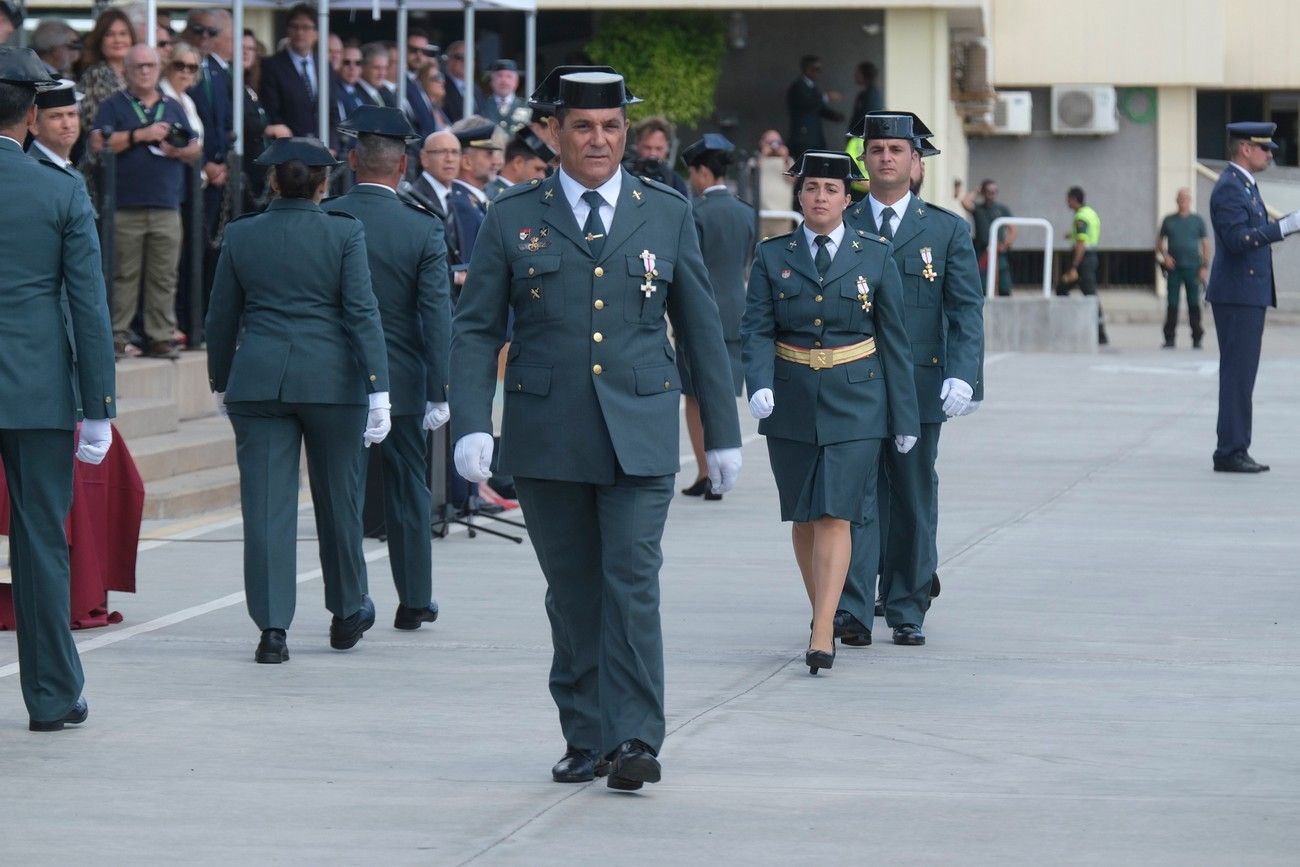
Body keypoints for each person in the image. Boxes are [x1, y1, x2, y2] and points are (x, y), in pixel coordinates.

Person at [449, 67, 742, 790]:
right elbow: (477, 327)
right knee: (574, 591)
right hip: (548, 434)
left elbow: (701, 324)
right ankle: (585, 734)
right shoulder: (513, 214)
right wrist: (468, 421)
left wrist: (725, 431)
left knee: (634, 581)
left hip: (640, 428)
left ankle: (636, 736)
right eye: (583, 126)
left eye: (611, 126)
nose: (599, 139)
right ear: (552, 131)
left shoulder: (666, 211)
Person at [205, 137, 391, 663]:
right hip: (333, 383)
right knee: (340, 500)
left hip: (260, 380)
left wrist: (221, 379)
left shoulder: (244, 234)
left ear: (271, 182)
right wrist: (378, 384)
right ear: (324, 184)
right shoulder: (343, 231)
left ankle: (272, 630)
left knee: (266, 508)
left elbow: (221, 317)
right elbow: (361, 312)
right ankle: (347, 610)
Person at [742, 148, 918, 673]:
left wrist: (904, 416)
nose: (820, 197)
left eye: (831, 190)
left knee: (835, 511)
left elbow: (895, 340)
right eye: (812, 188)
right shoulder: (774, 256)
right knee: (802, 513)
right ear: (800, 195)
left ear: (848, 199)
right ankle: (822, 607)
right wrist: (758, 383)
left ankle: (825, 627)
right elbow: (756, 328)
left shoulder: (875, 253)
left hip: (856, 397)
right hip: (792, 394)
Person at [0, 47, 117, 731]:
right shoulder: (59, 188)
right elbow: (88, 306)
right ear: (33, 115)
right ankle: (50, 695)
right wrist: (99, 407)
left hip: (36, 387)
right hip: (38, 388)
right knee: (40, 540)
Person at [839, 112, 984, 648]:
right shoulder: (840, 221)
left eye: (896, 150)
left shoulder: (945, 229)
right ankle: (851, 607)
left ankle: (907, 604)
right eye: (876, 149)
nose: (885, 158)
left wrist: (965, 375)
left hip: (921, 385)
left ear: (915, 162)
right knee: (855, 494)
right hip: (852, 382)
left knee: (914, 493)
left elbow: (966, 309)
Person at [330, 106, 451, 630]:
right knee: (409, 488)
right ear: (403, 168)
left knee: (345, 492)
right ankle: (415, 599)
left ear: (352, 160)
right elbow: (437, 318)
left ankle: (351, 601)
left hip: (338, 377)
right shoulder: (421, 228)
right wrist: (441, 387)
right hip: (402, 377)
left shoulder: (329, 218)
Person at [92, 44, 201, 360]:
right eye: (137, 66)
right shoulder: (114, 104)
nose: (144, 71)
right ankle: (115, 336)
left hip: (167, 202)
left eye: (150, 65)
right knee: (122, 275)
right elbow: (98, 142)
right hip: (125, 204)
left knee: (164, 275)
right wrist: (142, 134)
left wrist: (178, 150)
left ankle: (160, 336)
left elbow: (195, 147)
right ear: (125, 70)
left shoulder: (172, 104)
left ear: (159, 68)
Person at [1207, 121, 1300, 473]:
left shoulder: (1244, 186)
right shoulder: (1231, 188)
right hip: (1237, 293)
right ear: (1245, 148)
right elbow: (1238, 240)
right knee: (1238, 375)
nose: (1270, 153)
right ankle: (1230, 451)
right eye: (1265, 148)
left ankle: (1234, 446)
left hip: (1245, 292)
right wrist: (1286, 227)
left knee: (1241, 375)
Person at [678, 133, 753, 501]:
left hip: (701, 312)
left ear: (703, 172)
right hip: (736, 311)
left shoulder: (695, 212)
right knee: (722, 393)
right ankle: (724, 466)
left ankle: (706, 471)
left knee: (694, 396)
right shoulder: (745, 212)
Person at [258, 4, 322, 138]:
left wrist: (332, 144)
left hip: (324, 147)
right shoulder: (272, 65)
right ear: (288, 30)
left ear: (317, 33)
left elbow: (332, 110)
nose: (299, 32)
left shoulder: (324, 66)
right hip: (290, 146)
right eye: (295, 27)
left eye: (305, 27)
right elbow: (271, 110)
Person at [1157, 188, 1210, 349]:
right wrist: (1165, 256)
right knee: (1172, 303)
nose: (1182, 201)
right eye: (1180, 198)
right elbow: (1159, 242)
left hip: (1193, 268)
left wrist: (1204, 266)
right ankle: (1170, 338)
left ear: (1190, 201)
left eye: (1185, 198)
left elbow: (1205, 245)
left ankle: (1197, 337)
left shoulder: (1197, 221)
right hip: (1174, 269)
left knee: (1193, 303)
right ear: (1176, 200)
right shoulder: (1168, 220)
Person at [75, 8, 136, 142]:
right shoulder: (94, 75)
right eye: (110, 34)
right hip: (106, 154)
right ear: (100, 40)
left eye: (123, 33)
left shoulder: (139, 73)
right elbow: (94, 125)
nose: (118, 39)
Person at [1057, 185, 1107, 344]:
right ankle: (1100, 333)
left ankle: (1099, 334)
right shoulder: (1090, 212)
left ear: (1073, 199)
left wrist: (1074, 266)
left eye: (1068, 199)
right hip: (1090, 259)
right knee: (1086, 293)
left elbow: (1081, 242)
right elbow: (1082, 234)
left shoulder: (1081, 217)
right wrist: (1070, 234)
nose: (1067, 202)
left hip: (1083, 260)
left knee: (1085, 294)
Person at [961, 179, 1017, 297]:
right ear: (983, 192)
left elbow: (1013, 229)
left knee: (1004, 286)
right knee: (982, 285)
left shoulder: (1002, 209)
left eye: (994, 191)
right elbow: (965, 202)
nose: (992, 195)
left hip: (998, 251)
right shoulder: (978, 208)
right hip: (982, 251)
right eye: (988, 191)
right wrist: (977, 191)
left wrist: (1005, 245)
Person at [786, 54, 843, 158]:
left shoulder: (812, 88)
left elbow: (818, 108)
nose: (819, 72)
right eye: (817, 69)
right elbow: (808, 103)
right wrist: (826, 97)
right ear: (807, 69)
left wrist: (834, 116)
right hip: (803, 139)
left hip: (814, 138)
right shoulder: (798, 87)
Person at [485, 125, 553, 200]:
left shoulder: (520, 195)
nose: (542, 176)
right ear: (518, 163)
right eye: (538, 169)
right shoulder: (494, 196)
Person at [26, 79, 81, 171]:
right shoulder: (32, 171)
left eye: (72, 114)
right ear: (34, 125)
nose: (67, 125)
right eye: (55, 116)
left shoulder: (65, 165)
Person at [626, 114, 688, 196]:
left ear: (667, 147)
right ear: (637, 144)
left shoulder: (675, 181)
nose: (653, 154)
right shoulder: (624, 174)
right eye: (647, 147)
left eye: (659, 148)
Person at [441, 40, 485, 123]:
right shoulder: (441, 86)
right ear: (449, 60)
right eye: (459, 57)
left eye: (470, 57)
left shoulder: (477, 90)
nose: (465, 62)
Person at [482, 58, 530, 134]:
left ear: (516, 82)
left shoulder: (526, 106)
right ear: (491, 81)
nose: (504, 80)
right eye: (499, 76)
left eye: (509, 76)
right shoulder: (481, 106)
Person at [357, 42, 395, 108]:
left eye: (385, 68)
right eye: (377, 68)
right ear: (363, 67)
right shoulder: (355, 94)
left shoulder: (385, 92)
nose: (382, 73)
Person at [848, 60, 883, 129]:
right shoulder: (866, 94)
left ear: (865, 75)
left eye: (858, 73)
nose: (855, 75)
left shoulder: (871, 95)